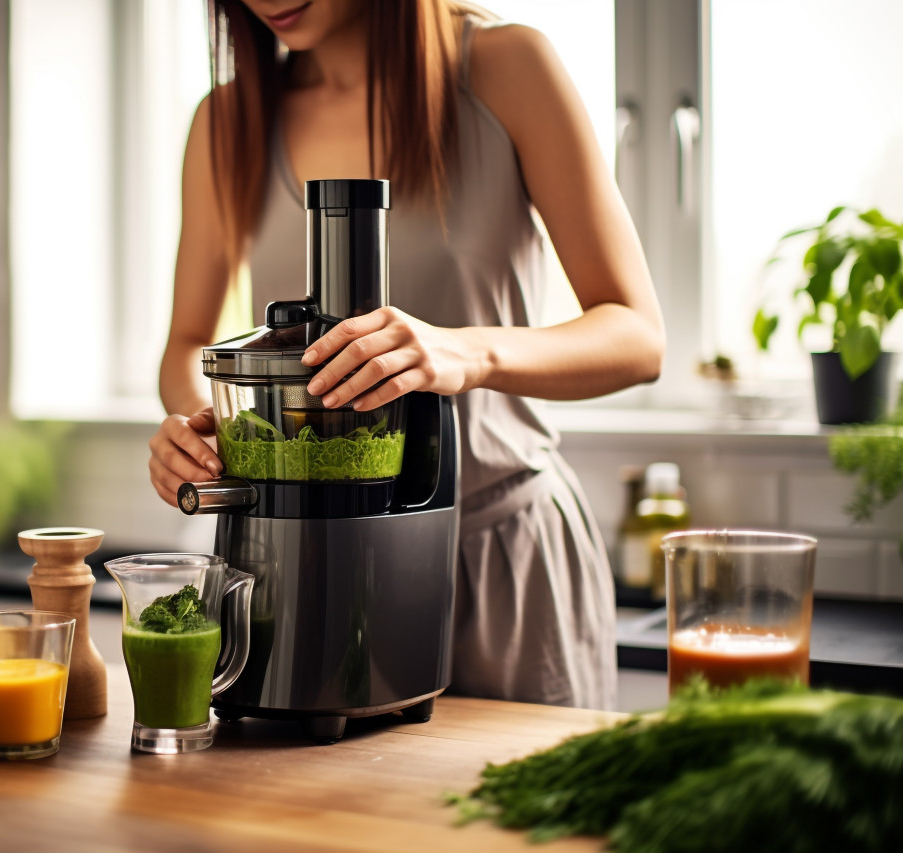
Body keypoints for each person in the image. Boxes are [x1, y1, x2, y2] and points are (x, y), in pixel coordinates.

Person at [146, 0, 665, 711]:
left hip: (501, 564)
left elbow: (636, 334)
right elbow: (187, 343)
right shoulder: (226, 122)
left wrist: (467, 353)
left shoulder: (507, 68)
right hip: (315, 579)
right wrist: (204, 427)